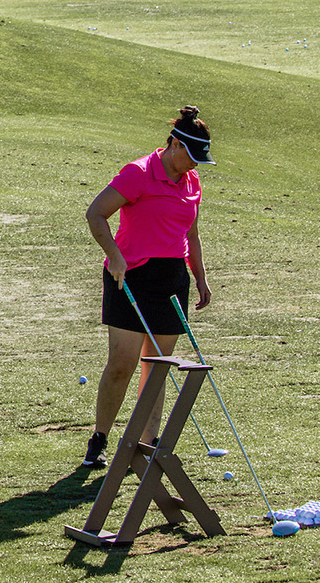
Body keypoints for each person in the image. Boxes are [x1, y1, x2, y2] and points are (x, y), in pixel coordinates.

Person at [81, 105, 215, 468]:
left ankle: (147, 441)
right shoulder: (138, 173)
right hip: (130, 277)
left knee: (157, 366)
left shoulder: (192, 183)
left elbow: (192, 233)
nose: (196, 165)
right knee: (121, 365)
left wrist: (200, 276)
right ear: (174, 144)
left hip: (171, 279)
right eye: (192, 156)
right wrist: (115, 256)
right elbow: (96, 214)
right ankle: (100, 438)